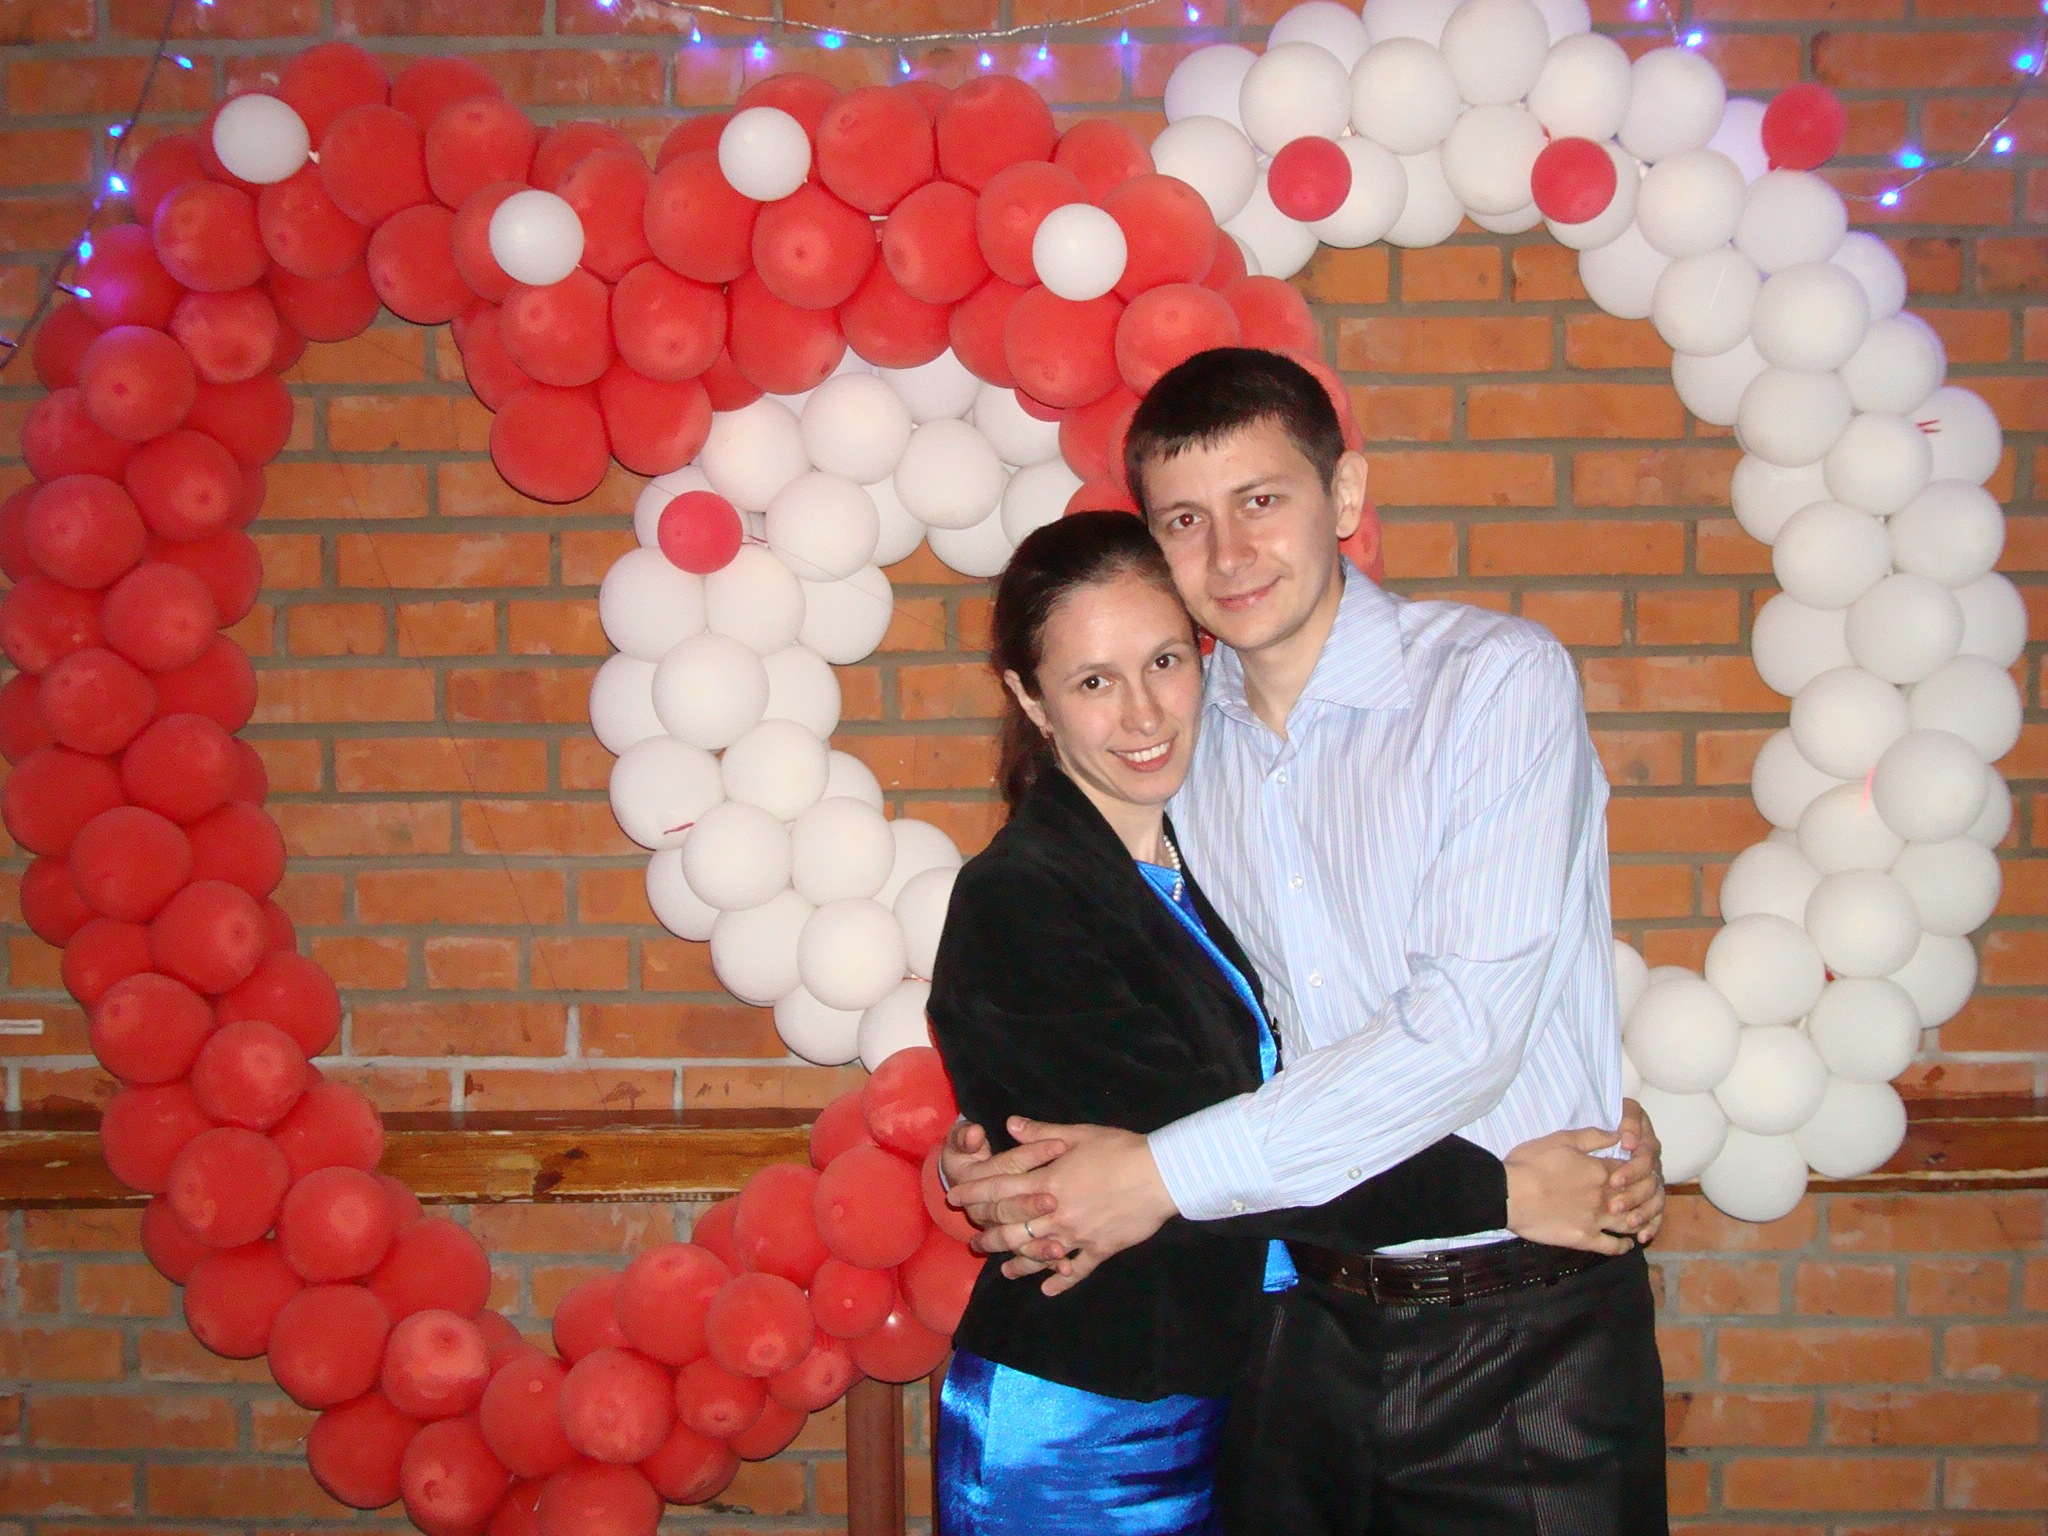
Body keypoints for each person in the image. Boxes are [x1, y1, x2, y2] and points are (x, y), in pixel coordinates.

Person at [942, 348, 1669, 1535]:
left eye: (1260, 500)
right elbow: (1167, 1030)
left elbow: (1464, 1035)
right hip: (1292, 1339)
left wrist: (1150, 1174)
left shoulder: (1490, 683)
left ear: (1342, 495)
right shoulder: (1183, 755)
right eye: (1185, 519)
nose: (1228, 554)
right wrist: (989, 1144)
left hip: (1521, 1328)